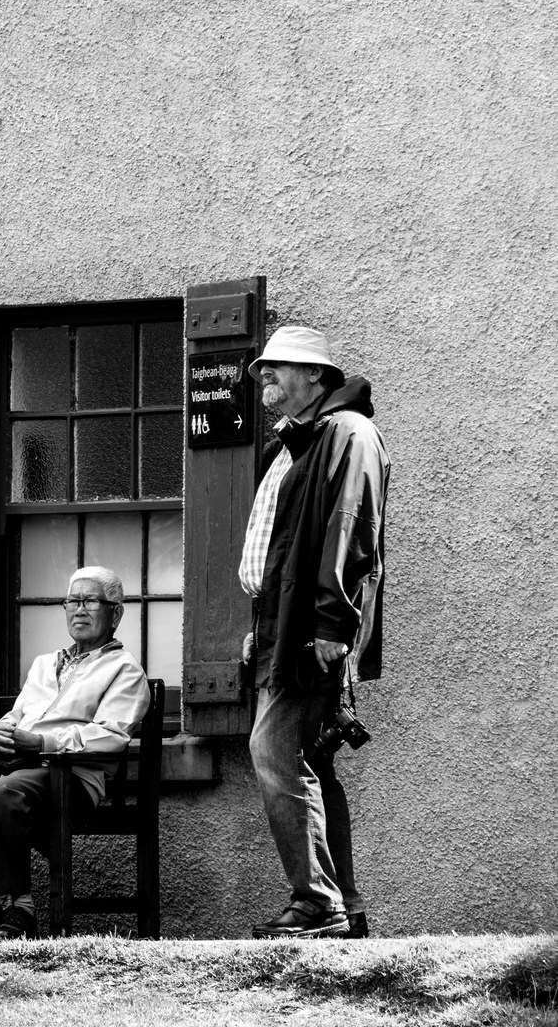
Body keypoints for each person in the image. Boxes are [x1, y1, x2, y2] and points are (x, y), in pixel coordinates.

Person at [240, 325, 389, 939]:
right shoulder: (301, 442)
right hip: (285, 625)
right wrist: (261, 625)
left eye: (279, 367)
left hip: (311, 629)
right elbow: (283, 550)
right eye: (263, 369)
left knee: (273, 753)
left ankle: (316, 901)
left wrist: (332, 621)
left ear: (317, 377)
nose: (265, 377)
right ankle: (343, 905)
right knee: (311, 764)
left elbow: (350, 529)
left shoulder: (347, 434)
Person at [0, 566, 150, 940]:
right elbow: (18, 717)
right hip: (16, 766)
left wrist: (41, 743)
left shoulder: (125, 670)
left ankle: (22, 908)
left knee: (2, 792)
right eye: (72, 601)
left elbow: (111, 735)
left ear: (115, 613)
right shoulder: (45, 664)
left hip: (72, 778)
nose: (79, 610)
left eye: (90, 601)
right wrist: (0, 732)